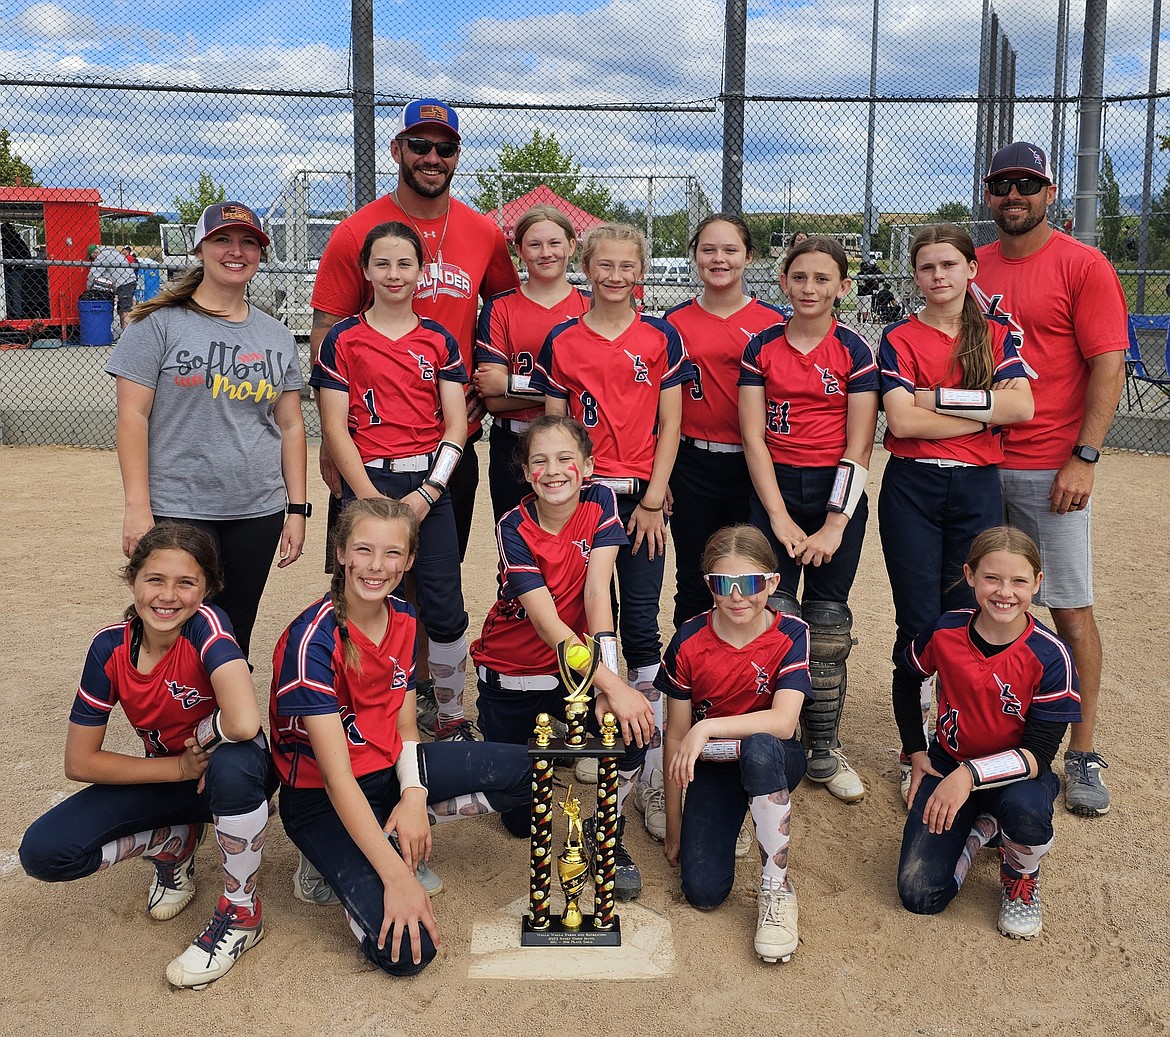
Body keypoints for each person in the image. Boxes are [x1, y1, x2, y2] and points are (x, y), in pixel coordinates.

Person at [270, 496, 531, 976]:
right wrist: (396, 879)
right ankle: (334, 861)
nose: (376, 566)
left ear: (410, 560)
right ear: (342, 553)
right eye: (363, 550)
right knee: (407, 955)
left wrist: (413, 797)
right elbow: (335, 778)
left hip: (387, 771)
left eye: (393, 553)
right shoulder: (313, 640)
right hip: (321, 798)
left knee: (529, 772)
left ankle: (399, 829)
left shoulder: (406, 618)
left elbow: (406, 725)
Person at [19, 523, 274, 988]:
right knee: (45, 853)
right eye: (155, 579)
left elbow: (243, 723)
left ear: (208, 589)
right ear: (133, 579)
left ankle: (241, 913)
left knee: (234, 766)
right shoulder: (109, 647)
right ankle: (173, 845)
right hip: (171, 776)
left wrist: (202, 736)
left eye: (186, 582)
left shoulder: (206, 626)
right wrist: (175, 766)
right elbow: (80, 762)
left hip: (229, 773)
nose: (168, 596)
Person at [970, 141, 1128, 817]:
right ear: (988, 193)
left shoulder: (1082, 264)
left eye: (1027, 184)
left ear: (1049, 191)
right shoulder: (973, 267)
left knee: (1065, 605)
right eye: (1003, 184)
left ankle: (1083, 749)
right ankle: (974, 735)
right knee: (979, 601)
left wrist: (1084, 456)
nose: (1015, 195)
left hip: (1049, 464)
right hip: (977, 457)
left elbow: (1109, 365)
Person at [532, 222, 692, 840]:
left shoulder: (659, 336)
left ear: (641, 272)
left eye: (628, 266)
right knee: (582, 612)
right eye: (606, 265)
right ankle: (593, 736)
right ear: (587, 268)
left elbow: (671, 425)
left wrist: (654, 497)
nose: (616, 276)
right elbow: (554, 435)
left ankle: (647, 760)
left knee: (643, 619)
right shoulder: (564, 340)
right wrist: (565, 496)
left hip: (641, 497)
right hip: (584, 496)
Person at [311, 97, 520, 562]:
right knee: (364, 575)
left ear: (457, 157)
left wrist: (490, 384)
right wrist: (330, 436)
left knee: (437, 578)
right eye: (420, 145)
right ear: (397, 150)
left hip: (450, 435)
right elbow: (326, 328)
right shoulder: (355, 231)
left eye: (445, 149)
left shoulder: (483, 232)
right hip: (369, 441)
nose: (432, 158)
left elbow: (508, 314)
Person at [106, 201, 308, 661]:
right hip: (179, 504)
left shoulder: (275, 334)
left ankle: (223, 725)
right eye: (223, 239)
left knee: (235, 625)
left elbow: (291, 424)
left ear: (260, 253)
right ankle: (169, 721)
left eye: (248, 242)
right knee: (173, 619)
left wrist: (296, 508)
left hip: (256, 507)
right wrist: (137, 507)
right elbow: (131, 417)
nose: (236, 251)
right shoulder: (157, 325)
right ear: (200, 247)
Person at [878, 223, 1034, 804]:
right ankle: (914, 750)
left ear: (972, 270)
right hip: (913, 486)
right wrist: (983, 415)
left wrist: (937, 399)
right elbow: (903, 423)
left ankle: (964, 741)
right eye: (927, 267)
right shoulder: (899, 337)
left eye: (949, 265)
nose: (938, 276)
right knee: (918, 622)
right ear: (915, 275)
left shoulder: (995, 334)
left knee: (971, 615)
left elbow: (1023, 405)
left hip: (975, 486)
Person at [470, 415, 655, 899]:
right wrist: (611, 683)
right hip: (511, 674)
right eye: (540, 462)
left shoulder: (601, 501)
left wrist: (609, 683)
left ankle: (602, 828)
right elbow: (548, 625)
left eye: (565, 459)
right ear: (527, 473)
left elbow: (598, 598)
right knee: (517, 816)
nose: (553, 471)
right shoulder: (512, 525)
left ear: (588, 466)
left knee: (633, 729)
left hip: (568, 676)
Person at [311, 221, 475, 743]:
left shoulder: (438, 339)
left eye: (405, 263)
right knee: (358, 594)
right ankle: (360, 710)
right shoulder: (344, 338)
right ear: (365, 270)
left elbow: (456, 426)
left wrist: (428, 493)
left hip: (429, 484)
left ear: (422, 272)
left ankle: (448, 711)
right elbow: (335, 427)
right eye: (382, 263)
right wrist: (370, 500)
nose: (394, 274)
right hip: (367, 482)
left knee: (443, 605)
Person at [738, 235, 878, 804]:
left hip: (835, 493)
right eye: (800, 278)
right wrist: (778, 516)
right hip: (774, 488)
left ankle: (822, 745)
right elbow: (753, 436)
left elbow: (861, 445)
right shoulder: (763, 346)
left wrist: (834, 525)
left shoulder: (855, 350)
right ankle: (770, 739)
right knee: (773, 611)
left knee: (826, 621)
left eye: (823, 279)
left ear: (842, 287)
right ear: (783, 283)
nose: (810, 288)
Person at [895, 526, 1081, 939]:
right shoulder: (945, 630)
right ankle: (982, 831)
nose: (1005, 592)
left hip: (1018, 774)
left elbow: (1038, 755)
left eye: (1018, 581)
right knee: (920, 895)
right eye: (992, 578)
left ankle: (1021, 875)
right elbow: (906, 678)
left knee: (1028, 816)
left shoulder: (1051, 655)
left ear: (1037, 583)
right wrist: (916, 750)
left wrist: (968, 776)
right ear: (970, 575)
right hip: (948, 762)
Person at [658, 524, 811, 964]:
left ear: (773, 583)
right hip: (715, 765)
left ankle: (776, 886)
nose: (738, 596)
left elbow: (784, 722)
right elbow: (676, 737)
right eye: (724, 584)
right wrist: (674, 826)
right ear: (709, 585)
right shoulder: (689, 637)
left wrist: (707, 728)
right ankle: (744, 812)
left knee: (761, 746)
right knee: (702, 891)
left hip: (775, 758)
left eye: (751, 583)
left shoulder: (792, 632)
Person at [664, 214, 786, 631]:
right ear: (695, 256)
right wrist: (659, 477)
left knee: (753, 578)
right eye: (708, 249)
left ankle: (751, 672)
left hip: (757, 464)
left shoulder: (773, 323)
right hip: (692, 461)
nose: (719, 259)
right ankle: (690, 674)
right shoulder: (672, 324)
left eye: (730, 250)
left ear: (749, 257)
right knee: (695, 579)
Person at [472, 204, 591, 522]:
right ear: (519, 250)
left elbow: (599, 389)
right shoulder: (500, 307)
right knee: (516, 545)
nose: (546, 253)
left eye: (554, 243)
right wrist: (566, 390)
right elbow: (493, 396)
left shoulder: (591, 306)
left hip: (578, 441)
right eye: (534, 244)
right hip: (513, 442)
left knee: (582, 551)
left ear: (571, 245)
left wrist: (511, 383)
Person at [86, 242, 139, 332]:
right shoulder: (113, 253)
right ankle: (128, 333)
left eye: (92, 258)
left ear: (94, 253)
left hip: (124, 282)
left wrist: (88, 288)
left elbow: (93, 274)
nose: (93, 260)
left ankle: (127, 335)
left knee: (124, 310)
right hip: (130, 280)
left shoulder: (103, 256)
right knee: (126, 308)